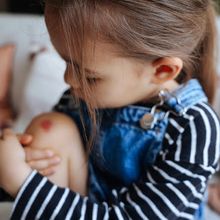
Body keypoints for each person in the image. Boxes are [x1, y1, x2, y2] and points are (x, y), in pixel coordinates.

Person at [0, 0, 220, 219]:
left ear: (162, 70)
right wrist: (14, 165)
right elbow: (45, 173)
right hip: (84, 204)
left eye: (90, 77)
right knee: (49, 128)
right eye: (66, 62)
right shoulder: (80, 97)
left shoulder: (195, 127)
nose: (68, 79)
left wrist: (22, 182)